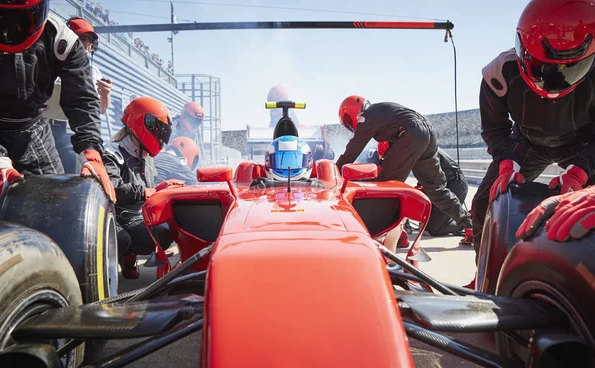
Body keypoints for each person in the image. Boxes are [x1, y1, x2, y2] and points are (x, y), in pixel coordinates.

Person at [469, 0, 595, 288]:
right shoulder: (499, 75)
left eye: (570, 69)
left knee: (588, 210)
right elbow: (495, 129)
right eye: (543, 69)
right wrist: (505, 161)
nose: (555, 82)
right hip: (527, 145)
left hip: (582, 144)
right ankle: (484, 277)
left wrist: (581, 170)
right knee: (481, 204)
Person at [0, 0, 115, 206]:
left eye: (22, 18)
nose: (12, 29)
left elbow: (82, 99)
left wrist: (91, 150)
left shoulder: (62, 40)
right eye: (2, 18)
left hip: (33, 131)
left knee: (57, 206)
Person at [335, 96, 472, 230]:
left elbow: (354, 148)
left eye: (347, 122)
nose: (351, 126)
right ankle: (470, 224)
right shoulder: (384, 113)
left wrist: (334, 169)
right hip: (427, 133)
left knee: (385, 186)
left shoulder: (367, 116)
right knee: (437, 189)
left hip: (411, 132)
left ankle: (380, 230)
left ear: (352, 112)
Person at [103, 96, 181, 279]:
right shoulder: (112, 153)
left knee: (162, 235)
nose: (161, 138)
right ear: (143, 124)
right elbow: (112, 188)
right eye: (159, 132)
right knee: (121, 241)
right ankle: (121, 257)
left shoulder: (146, 155)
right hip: (113, 215)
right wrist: (144, 192)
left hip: (136, 215)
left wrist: (163, 188)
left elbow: (149, 187)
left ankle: (130, 253)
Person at [46, 16, 113, 174]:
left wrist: (105, 95)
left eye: (89, 39)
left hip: (70, 132)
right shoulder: (49, 63)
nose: (86, 43)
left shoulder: (94, 72)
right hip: (43, 126)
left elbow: (100, 110)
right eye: (81, 37)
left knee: (67, 178)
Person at [249, 135, 324, 189]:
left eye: (293, 161)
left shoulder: (317, 185)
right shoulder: (258, 185)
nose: (288, 168)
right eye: (281, 161)